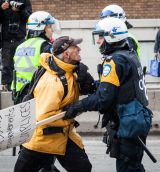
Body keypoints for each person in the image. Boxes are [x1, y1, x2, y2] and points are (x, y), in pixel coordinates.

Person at [63, 18, 152, 172]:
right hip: (137, 119)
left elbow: (104, 99)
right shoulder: (129, 54)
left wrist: (79, 106)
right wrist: (94, 84)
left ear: (112, 36)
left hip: (128, 122)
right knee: (133, 166)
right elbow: (120, 86)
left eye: (101, 37)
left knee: (128, 168)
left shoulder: (114, 61)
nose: (98, 42)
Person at [14, 36, 94, 172]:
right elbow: (44, 117)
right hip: (42, 139)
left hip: (62, 135)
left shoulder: (68, 72)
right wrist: (70, 114)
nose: (79, 49)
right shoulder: (52, 82)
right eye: (75, 47)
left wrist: (87, 82)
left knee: (83, 168)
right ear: (66, 54)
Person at [12, 11, 61, 104]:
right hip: (37, 93)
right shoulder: (45, 46)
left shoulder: (20, 46)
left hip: (19, 94)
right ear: (41, 27)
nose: (52, 30)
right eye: (50, 27)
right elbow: (56, 70)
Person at [0, 0, 32, 91]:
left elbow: (30, 18)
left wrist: (20, 10)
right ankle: (7, 88)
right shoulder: (3, 1)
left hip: (20, 40)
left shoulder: (24, 1)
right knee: (6, 67)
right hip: (6, 40)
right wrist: (1, 9)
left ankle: (22, 89)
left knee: (22, 65)